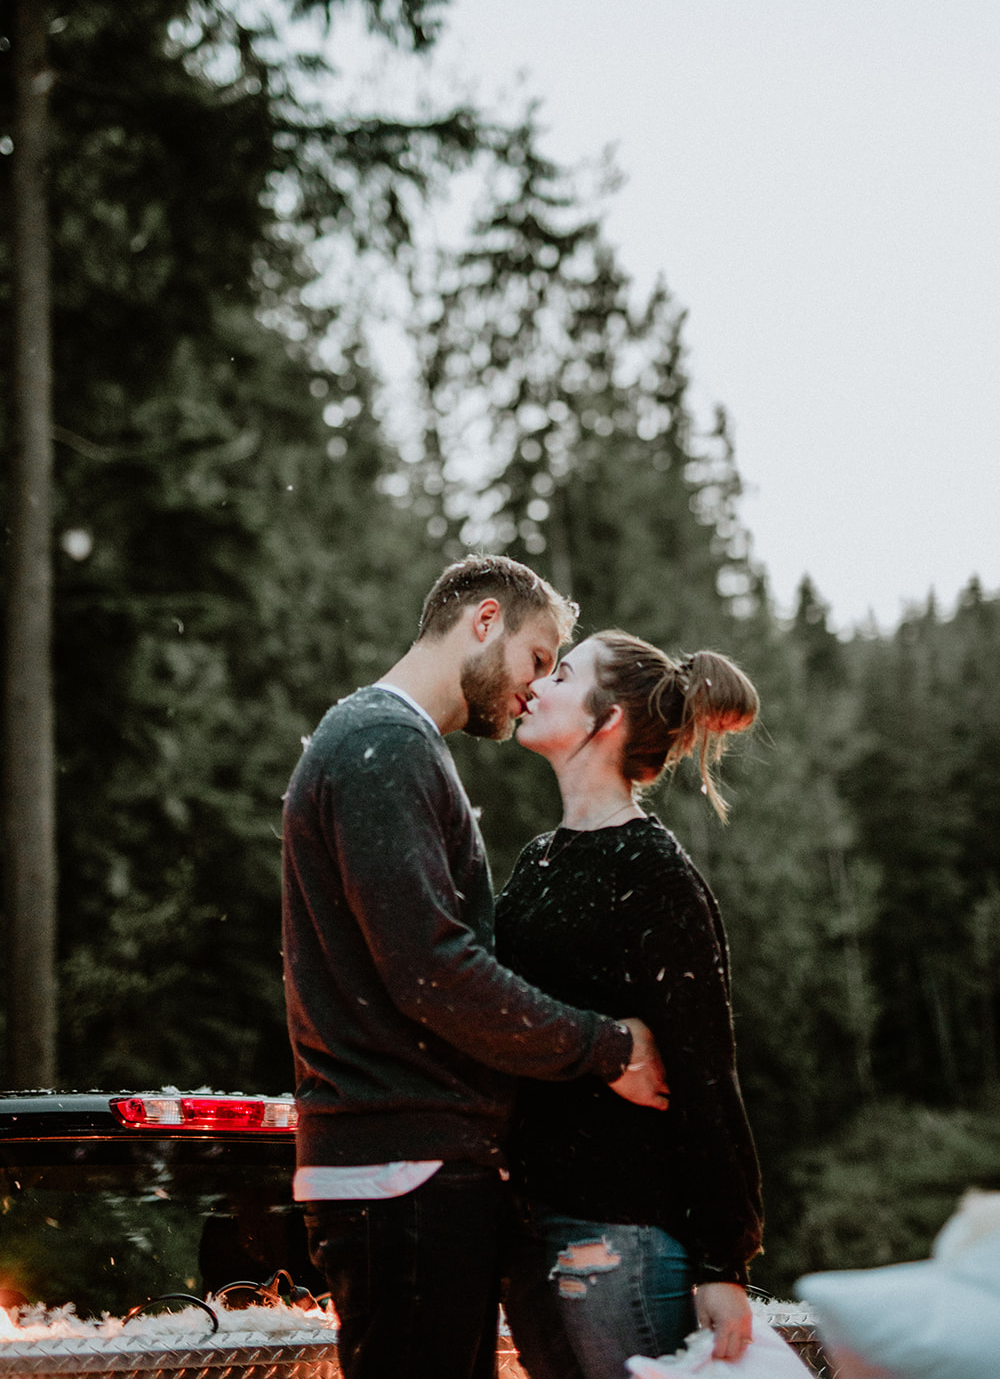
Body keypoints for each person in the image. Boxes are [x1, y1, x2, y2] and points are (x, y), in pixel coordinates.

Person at [281, 558, 668, 1379]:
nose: (534, 688)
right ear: (483, 621)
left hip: (408, 1169)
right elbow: (432, 971)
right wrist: (607, 1049)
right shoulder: (382, 743)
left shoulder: (387, 743)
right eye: (536, 659)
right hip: (402, 1174)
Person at [496, 629, 765, 1379]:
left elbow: (707, 1073)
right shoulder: (536, 861)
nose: (538, 683)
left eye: (563, 673)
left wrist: (721, 1261)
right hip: (532, 1226)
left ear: (605, 718)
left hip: (621, 1234)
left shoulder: (655, 873)